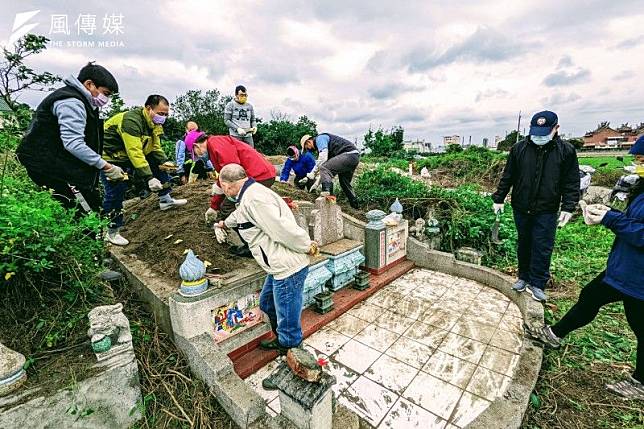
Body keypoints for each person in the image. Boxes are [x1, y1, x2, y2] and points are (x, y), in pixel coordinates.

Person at [526, 140, 644, 400]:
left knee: (641, 327)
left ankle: (640, 383)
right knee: (590, 296)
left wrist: (611, 219)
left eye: (642, 160)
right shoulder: (642, 188)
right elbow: (634, 222)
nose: (638, 164)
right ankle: (555, 334)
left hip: (639, 279)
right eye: (637, 160)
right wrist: (608, 213)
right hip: (624, 269)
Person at [214, 164, 318, 362]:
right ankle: (282, 341)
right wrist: (224, 223)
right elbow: (241, 217)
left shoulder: (255, 200)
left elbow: (282, 230)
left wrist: (307, 245)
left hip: (288, 268)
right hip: (277, 267)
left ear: (227, 186)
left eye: (222, 188)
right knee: (267, 303)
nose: (224, 192)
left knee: (288, 321)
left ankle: (293, 360)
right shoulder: (247, 197)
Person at [491, 111, 579, 302]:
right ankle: (523, 277)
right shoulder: (519, 149)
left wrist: (568, 207)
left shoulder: (566, 151)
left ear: (556, 129)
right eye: (536, 132)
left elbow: (571, 182)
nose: (539, 137)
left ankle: (538, 283)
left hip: (547, 209)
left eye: (544, 133)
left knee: (543, 246)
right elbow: (508, 176)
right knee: (524, 242)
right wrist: (498, 198)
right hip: (521, 206)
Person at [17, 62, 123, 213]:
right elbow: (73, 143)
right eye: (105, 93)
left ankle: (88, 233)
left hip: (62, 164)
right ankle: (90, 236)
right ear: (89, 84)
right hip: (51, 166)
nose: (105, 99)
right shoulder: (72, 102)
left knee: (87, 206)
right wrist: (107, 166)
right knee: (87, 213)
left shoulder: (84, 101)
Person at [101, 95, 187, 246]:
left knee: (160, 166)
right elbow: (134, 151)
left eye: (166, 114)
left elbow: (155, 147)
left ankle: (165, 199)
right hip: (112, 158)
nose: (163, 117)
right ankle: (112, 231)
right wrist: (149, 177)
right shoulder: (131, 121)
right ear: (148, 108)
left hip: (131, 155)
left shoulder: (154, 124)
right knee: (116, 191)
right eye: (161, 113)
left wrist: (164, 161)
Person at [192, 135, 276, 254]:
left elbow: (231, 171)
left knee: (229, 208)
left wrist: (216, 205)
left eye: (195, 153)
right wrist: (214, 206)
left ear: (196, 146)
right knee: (242, 207)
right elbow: (226, 179)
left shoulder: (216, 143)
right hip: (260, 174)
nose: (198, 156)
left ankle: (252, 246)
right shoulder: (215, 145)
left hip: (257, 175)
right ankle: (260, 243)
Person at [299, 133, 361, 208]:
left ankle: (327, 193)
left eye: (307, 148)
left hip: (348, 155)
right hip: (354, 157)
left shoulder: (320, 139)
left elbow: (323, 163)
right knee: (344, 183)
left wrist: (312, 173)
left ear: (308, 142)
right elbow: (326, 174)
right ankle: (355, 206)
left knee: (324, 168)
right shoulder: (327, 148)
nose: (308, 150)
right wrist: (316, 184)